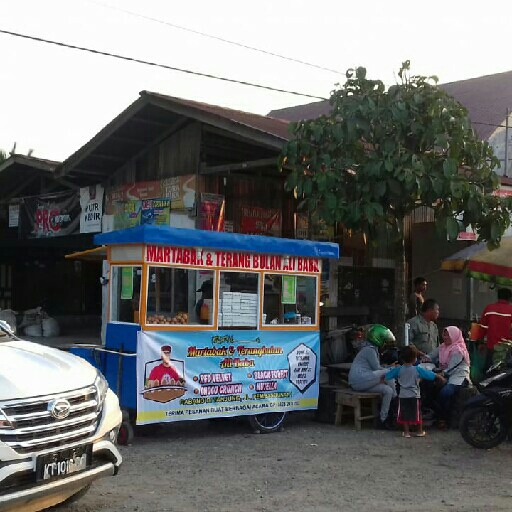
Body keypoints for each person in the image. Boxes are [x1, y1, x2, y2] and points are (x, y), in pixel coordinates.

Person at [385, 346, 446, 438]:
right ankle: (419, 431)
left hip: (403, 395)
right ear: (414, 359)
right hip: (414, 395)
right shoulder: (417, 369)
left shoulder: (399, 369)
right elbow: (430, 375)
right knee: (417, 414)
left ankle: (406, 432)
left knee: (404, 414)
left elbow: (388, 376)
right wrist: (440, 377)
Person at [348, 324, 397, 429]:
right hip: (359, 380)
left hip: (364, 380)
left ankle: (383, 419)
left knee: (388, 390)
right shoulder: (369, 350)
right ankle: (396, 401)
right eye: (384, 340)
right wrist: (391, 369)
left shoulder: (371, 349)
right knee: (389, 373)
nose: (385, 343)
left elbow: (377, 369)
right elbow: (377, 369)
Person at [425, 326, 471, 430]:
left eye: (448, 335)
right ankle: (434, 416)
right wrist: (424, 358)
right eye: (444, 334)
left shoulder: (458, 350)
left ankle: (444, 419)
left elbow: (451, 368)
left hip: (458, 377)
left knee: (445, 393)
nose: (445, 337)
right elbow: (431, 355)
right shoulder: (443, 347)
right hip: (444, 374)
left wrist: (440, 374)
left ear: (454, 336)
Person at [479, 288, 512, 370]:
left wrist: (479, 343)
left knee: (489, 373)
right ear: (509, 298)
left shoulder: (489, 308)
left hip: (491, 347)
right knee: (505, 373)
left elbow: (481, 327)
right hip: (507, 349)